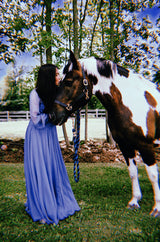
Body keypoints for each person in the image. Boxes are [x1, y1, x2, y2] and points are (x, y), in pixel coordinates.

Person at [24, 64, 80, 225]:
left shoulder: (55, 93)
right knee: (41, 170)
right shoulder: (35, 94)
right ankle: (42, 207)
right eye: (56, 74)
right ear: (48, 77)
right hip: (37, 135)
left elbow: (60, 112)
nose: (59, 77)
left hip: (49, 135)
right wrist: (52, 115)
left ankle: (57, 201)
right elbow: (35, 119)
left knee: (52, 168)